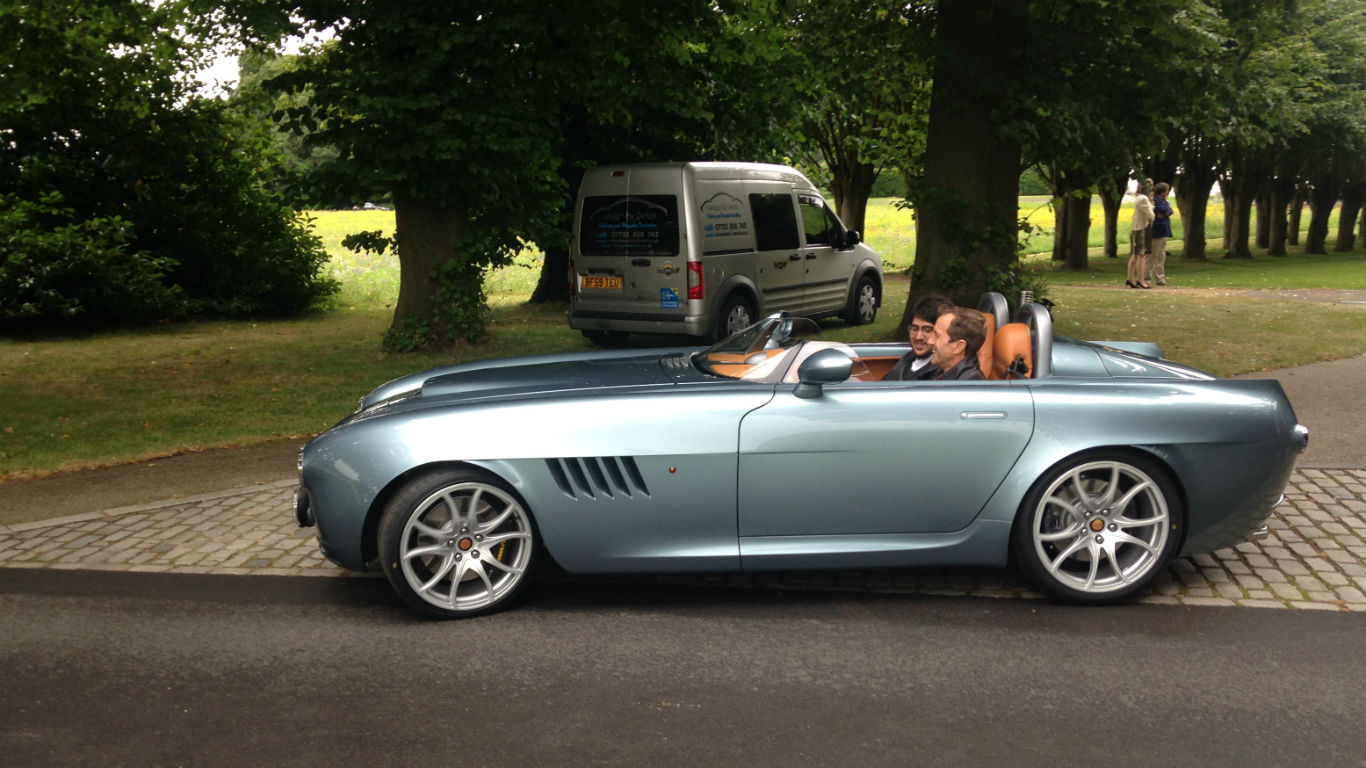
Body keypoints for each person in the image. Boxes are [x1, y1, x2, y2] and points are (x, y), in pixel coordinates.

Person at [885, 293, 951, 380]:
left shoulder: (940, 373)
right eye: (914, 329)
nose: (918, 337)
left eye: (927, 330)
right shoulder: (908, 359)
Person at [929, 306, 986, 380]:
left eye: (937, 336)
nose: (930, 341)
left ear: (958, 347)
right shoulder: (938, 373)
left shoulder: (967, 385)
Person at [1127, 181, 1154, 289]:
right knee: (1141, 255)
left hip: (1137, 228)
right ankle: (1140, 280)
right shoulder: (1143, 198)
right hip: (1142, 228)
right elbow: (1151, 215)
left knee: (1135, 255)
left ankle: (1130, 280)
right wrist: (1151, 205)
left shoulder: (1139, 198)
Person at [1148, 182, 1174, 286]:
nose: (1167, 193)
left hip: (1164, 231)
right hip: (1157, 231)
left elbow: (1169, 211)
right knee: (1153, 255)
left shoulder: (1164, 201)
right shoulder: (1155, 200)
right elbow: (1160, 210)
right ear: (1162, 192)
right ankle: (1146, 278)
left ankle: (1160, 278)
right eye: (1166, 191)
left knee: (1161, 255)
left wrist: (1166, 212)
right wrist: (1165, 211)